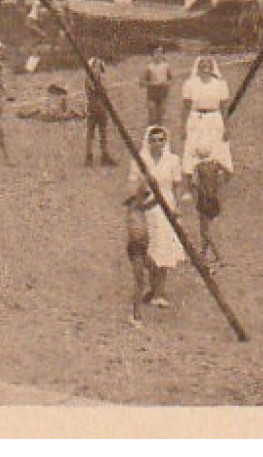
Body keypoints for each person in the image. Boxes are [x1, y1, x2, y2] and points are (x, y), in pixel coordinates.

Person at [128, 125, 188, 309]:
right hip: (146, 208)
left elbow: (177, 186)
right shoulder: (141, 160)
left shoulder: (173, 160)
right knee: (148, 249)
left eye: (161, 140)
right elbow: (132, 186)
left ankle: (160, 291)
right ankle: (153, 288)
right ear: (148, 141)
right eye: (153, 140)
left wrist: (177, 206)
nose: (157, 143)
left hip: (166, 208)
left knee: (164, 248)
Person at [180, 56, 234, 177]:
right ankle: (191, 177)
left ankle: (216, 177)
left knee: (217, 147)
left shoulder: (221, 84)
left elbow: (224, 108)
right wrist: (183, 126)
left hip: (214, 118)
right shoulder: (189, 84)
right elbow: (186, 107)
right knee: (193, 147)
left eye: (208, 65)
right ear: (197, 67)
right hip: (195, 118)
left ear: (212, 67)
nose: (205, 68)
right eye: (202, 65)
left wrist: (227, 127)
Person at [122, 188, 152, 327]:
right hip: (137, 248)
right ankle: (136, 315)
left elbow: (151, 203)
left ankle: (148, 297)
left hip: (141, 247)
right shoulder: (133, 214)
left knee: (152, 270)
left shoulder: (139, 211)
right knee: (139, 282)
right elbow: (136, 235)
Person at [83, 56, 115, 167]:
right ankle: (89, 156)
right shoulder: (89, 79)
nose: (97, 69)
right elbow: (97, 89)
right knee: (91, 132)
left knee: (102, 132)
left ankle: (104, 155)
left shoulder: (100, 78)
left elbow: (104, 90)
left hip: (101, 108)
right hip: (93, 108)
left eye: (99, 67)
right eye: (95, 67)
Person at [140, 45, 173, 129]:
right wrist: (153, 83)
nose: (158, 55)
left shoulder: (166, 66)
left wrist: (167, 83)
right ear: (152, 55)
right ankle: (150, 134)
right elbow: (142, 82)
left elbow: (171, 79)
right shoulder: (149, 67)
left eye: (160, 53)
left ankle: (160, 135)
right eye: (156, 53)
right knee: (152, 116)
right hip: (152, 94)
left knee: (161, 117)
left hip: (163, 93)